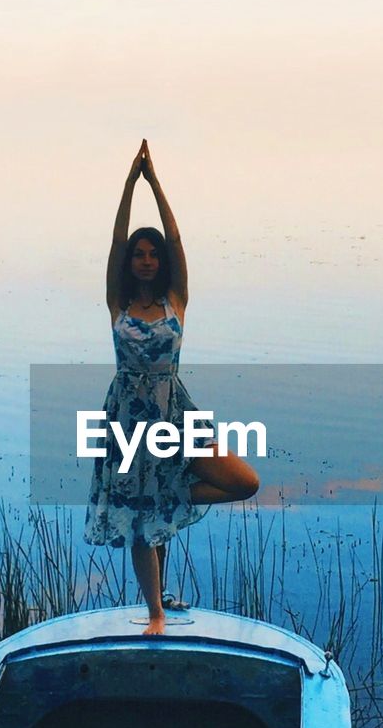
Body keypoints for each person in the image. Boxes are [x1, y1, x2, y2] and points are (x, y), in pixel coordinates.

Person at [84, 139, 259, 634]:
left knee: (244, 483)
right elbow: (116, 243)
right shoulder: (117, 303)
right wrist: (127, 185)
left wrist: (155, 185)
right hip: (127, 416)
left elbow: (178, 244)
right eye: (137, 254)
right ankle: (156, 612)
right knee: (142, 517)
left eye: (151, 254)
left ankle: (173, 495)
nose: (143, 259)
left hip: (173, 410)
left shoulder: (176, 301)